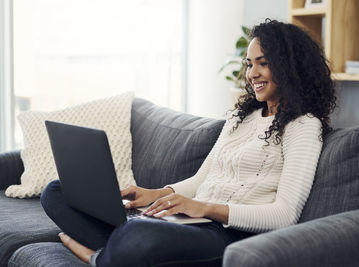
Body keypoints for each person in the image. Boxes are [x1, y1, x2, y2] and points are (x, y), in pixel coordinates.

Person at [41, 19, 337, 267]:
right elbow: (202, 179)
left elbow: (285, 215)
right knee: (56, 191)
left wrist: (204, 208)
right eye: (249, 64)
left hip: (228, 235)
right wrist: (154, 194)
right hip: (188, 222)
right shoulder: (241, 117)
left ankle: (99, 257)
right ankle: (120, 251)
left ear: (290, 67)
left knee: (137, 236)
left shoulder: (303, 126)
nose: (252, 74)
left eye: (263, 63)